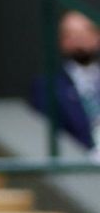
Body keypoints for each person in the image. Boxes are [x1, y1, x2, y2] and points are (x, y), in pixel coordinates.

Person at [29, 9, 100, 151]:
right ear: (62, 41)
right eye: (71, 34)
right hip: (77, 166)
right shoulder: (48, 87)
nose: (79, 40)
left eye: (85, 32)